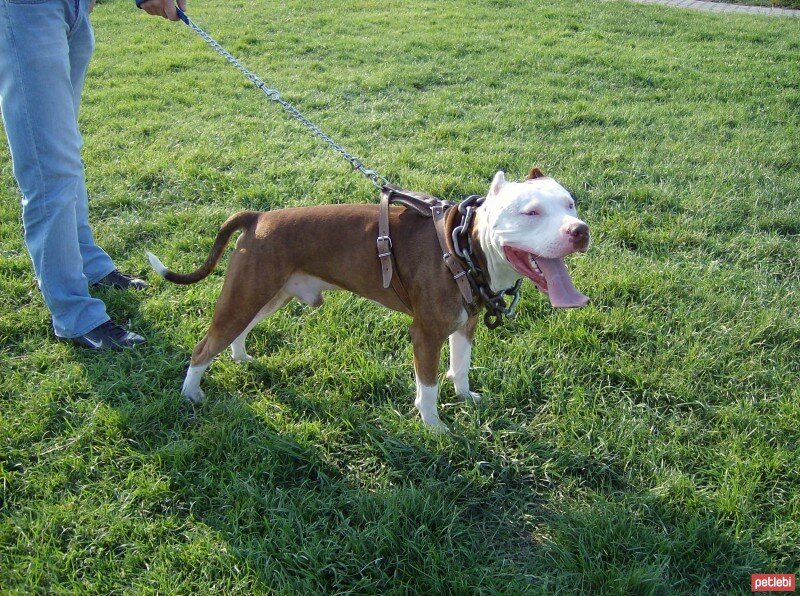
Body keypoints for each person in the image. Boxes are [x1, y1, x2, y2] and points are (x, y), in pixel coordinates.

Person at [0, 0, 186, 350]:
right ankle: (73, 315)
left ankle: (88, 264)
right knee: (48, 163)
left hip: (73, 7)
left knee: (67, 149)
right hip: (26, 9)